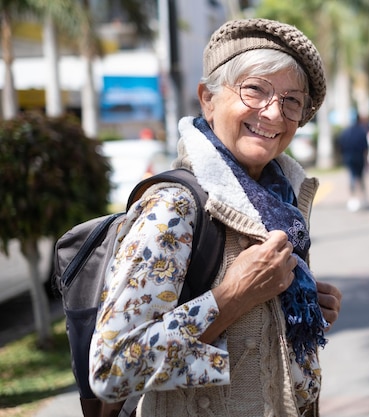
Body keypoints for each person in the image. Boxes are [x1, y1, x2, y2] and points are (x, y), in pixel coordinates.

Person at [88, 18, 342, 417]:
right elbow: (111, 369)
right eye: (255, 89)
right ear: (208, 98)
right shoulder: (175, 207)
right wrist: (233, 296)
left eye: (292, 100)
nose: (274, 114)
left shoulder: (281, 205)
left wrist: (295, 309)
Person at [338, 115, 369, 211]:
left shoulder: (346, 131)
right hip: (359, 157)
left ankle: (353, 198)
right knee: (360, 177)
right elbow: (365, 147)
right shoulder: (362, 131)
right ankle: (363, 197)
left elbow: (341, 144)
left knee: (352, 177)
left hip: (348, 157)